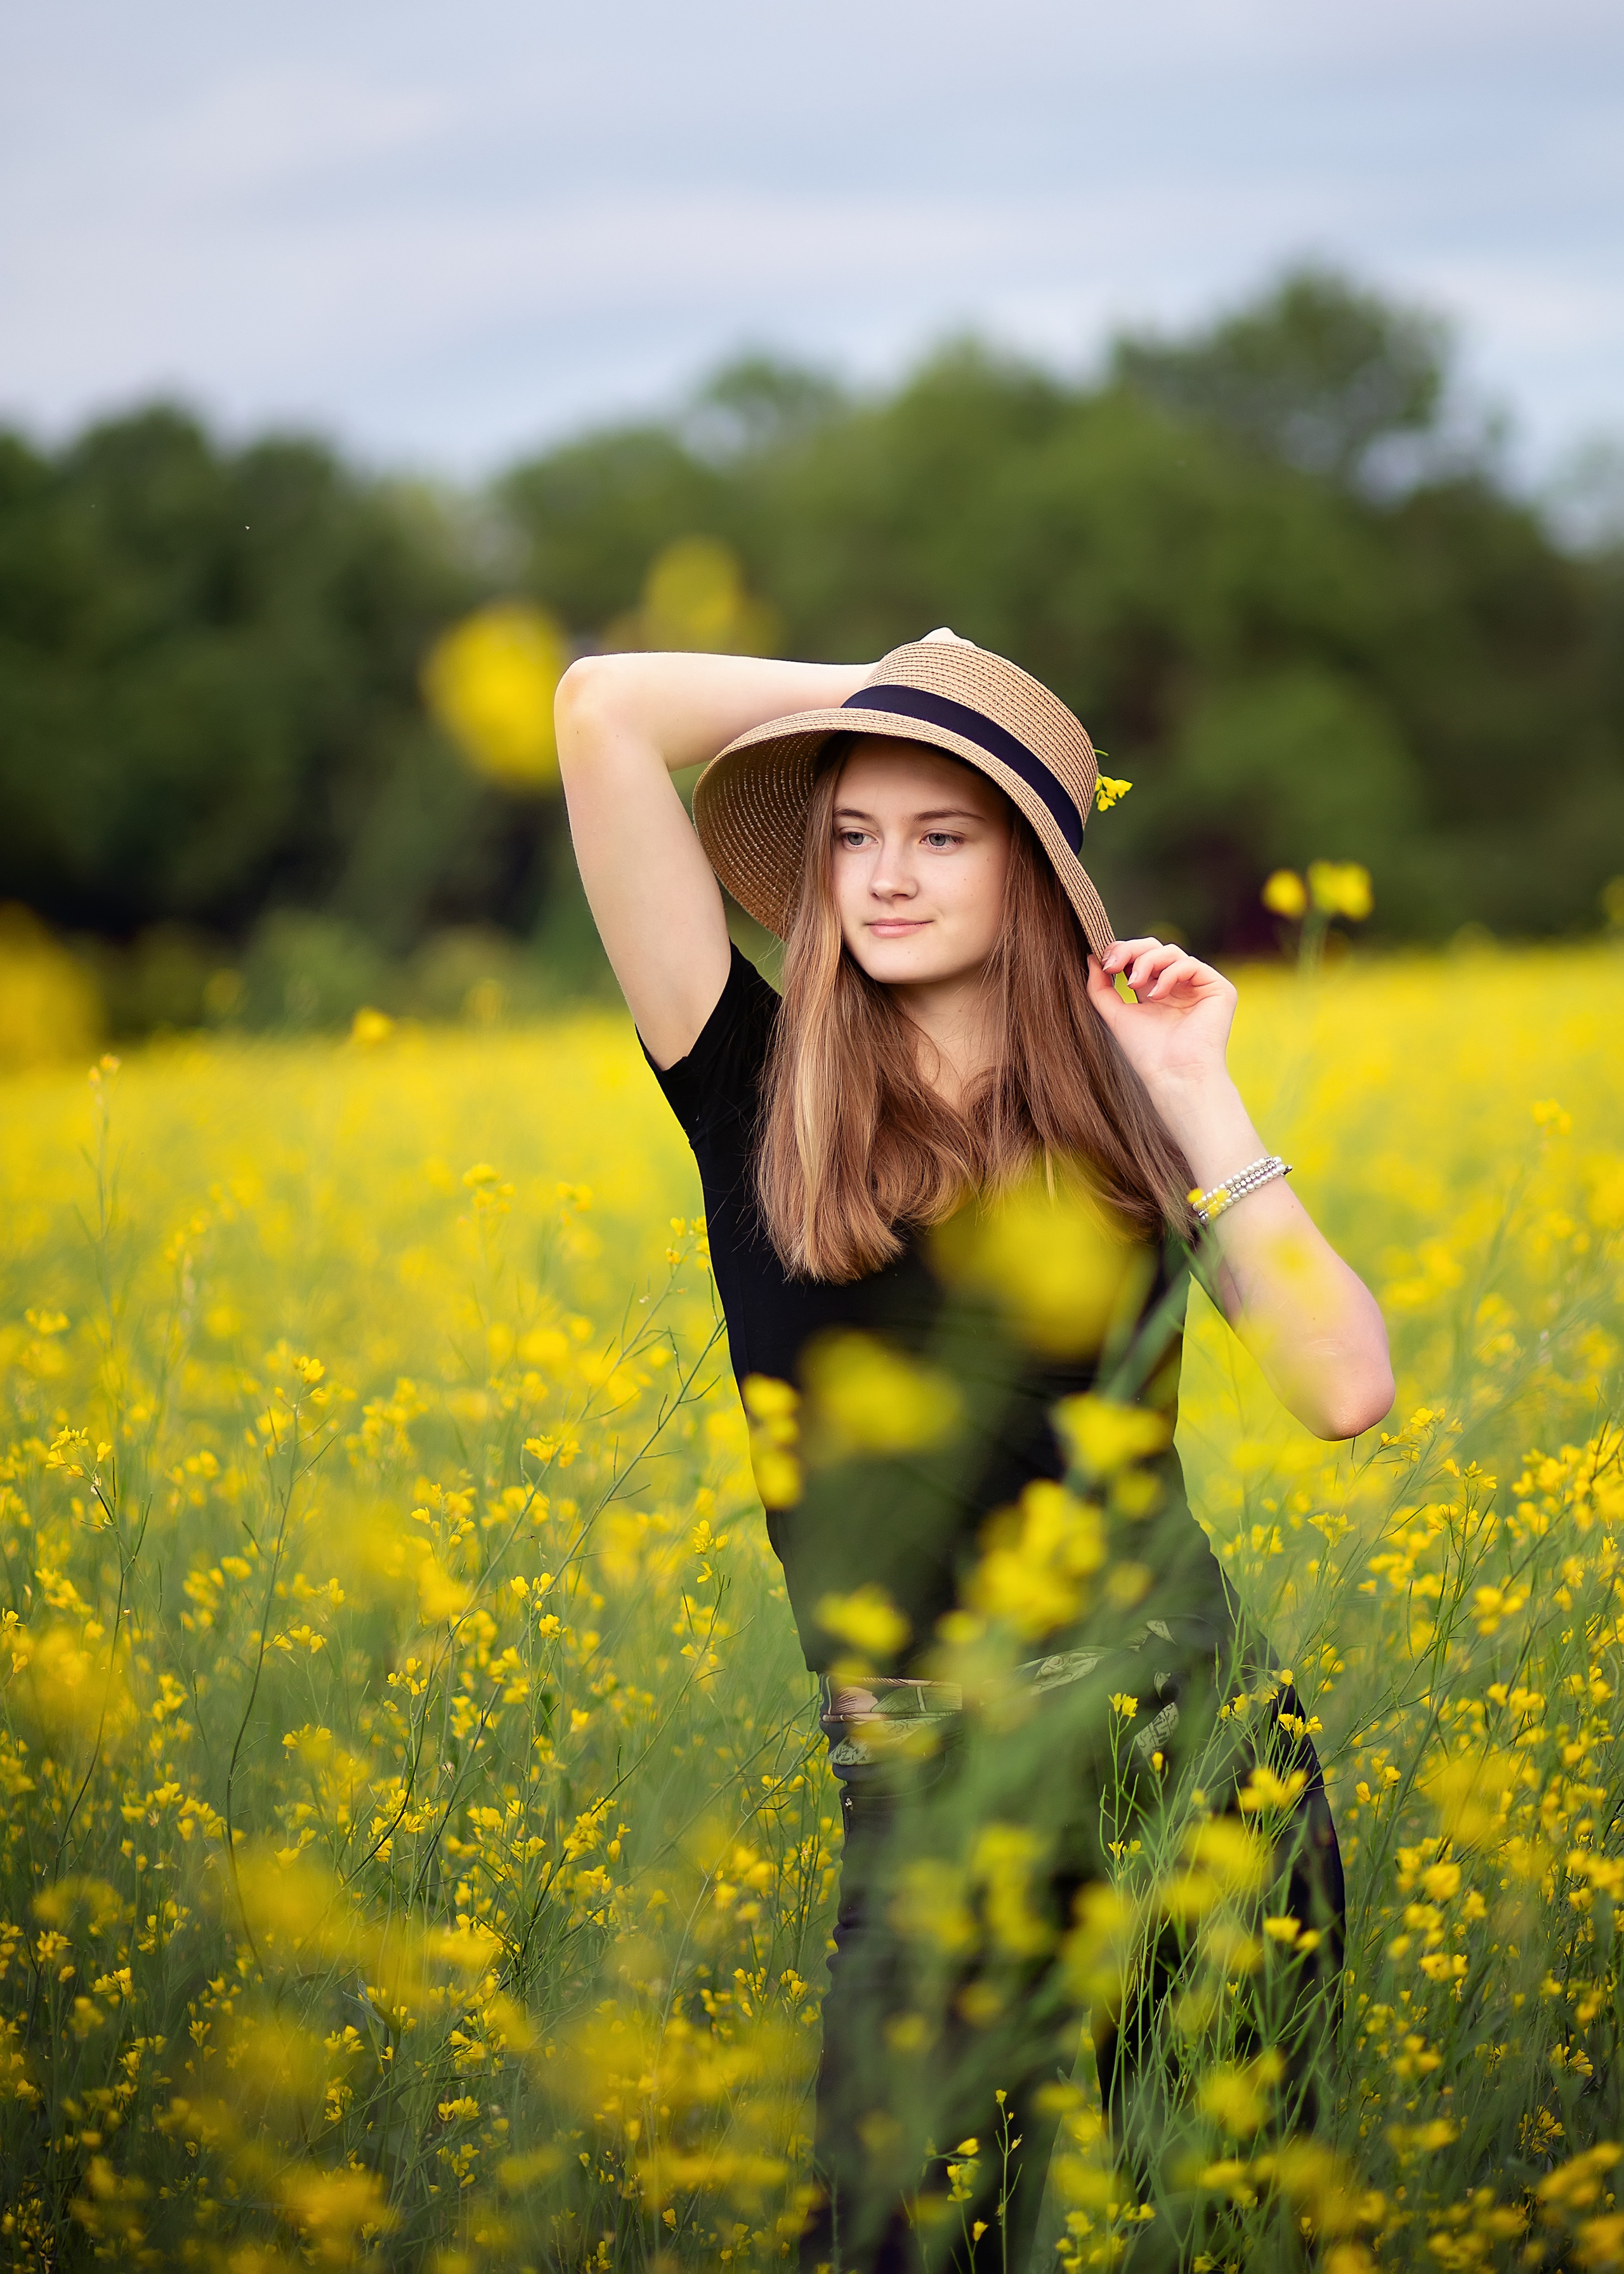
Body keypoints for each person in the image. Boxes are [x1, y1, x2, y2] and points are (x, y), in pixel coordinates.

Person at [556, 631, 1394, 2271]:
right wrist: (912, 689)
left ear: (1032, 863)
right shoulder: (751, 1085)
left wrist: (1199, 1092)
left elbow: (1343, 1385)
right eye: (855, 831)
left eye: (946, 831)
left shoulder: (1128, 1105)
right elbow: (603, 707)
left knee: (1215, 2240)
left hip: (1192, 1754)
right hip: (927, 1795)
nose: (886, 874)